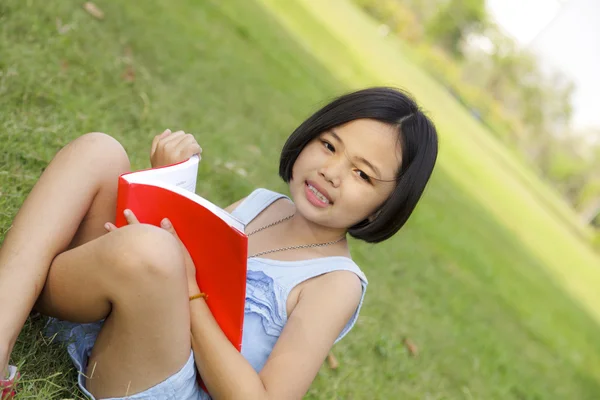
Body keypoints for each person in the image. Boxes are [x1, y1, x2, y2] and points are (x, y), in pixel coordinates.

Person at [0, 86, 438, 399]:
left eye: (362, 174)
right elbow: (185, 248)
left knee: (153, 253)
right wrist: (166, 184)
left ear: (384, 207)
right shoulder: (261, 204)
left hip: (165, 385)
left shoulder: (334, 283)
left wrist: (191, 295)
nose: (332, 171)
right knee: (100, 151)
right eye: (329, 145)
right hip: (121, 324)